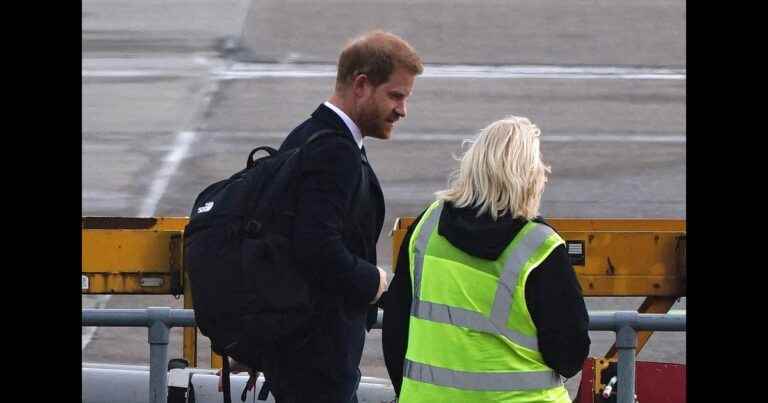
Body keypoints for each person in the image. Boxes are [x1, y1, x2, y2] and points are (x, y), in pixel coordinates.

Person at [227, 30, 423, 403]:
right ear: (362, 85)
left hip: (296, 350)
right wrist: (376, 282)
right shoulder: (335, 153)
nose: (402, 110)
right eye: (395, 95)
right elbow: (316, 247)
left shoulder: (306, 136)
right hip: (317, 356)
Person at [382, 116, 591, 402]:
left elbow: (395, 327)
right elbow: (569, 354)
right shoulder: (539, 247)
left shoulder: (427, 226)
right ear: (530, 176)